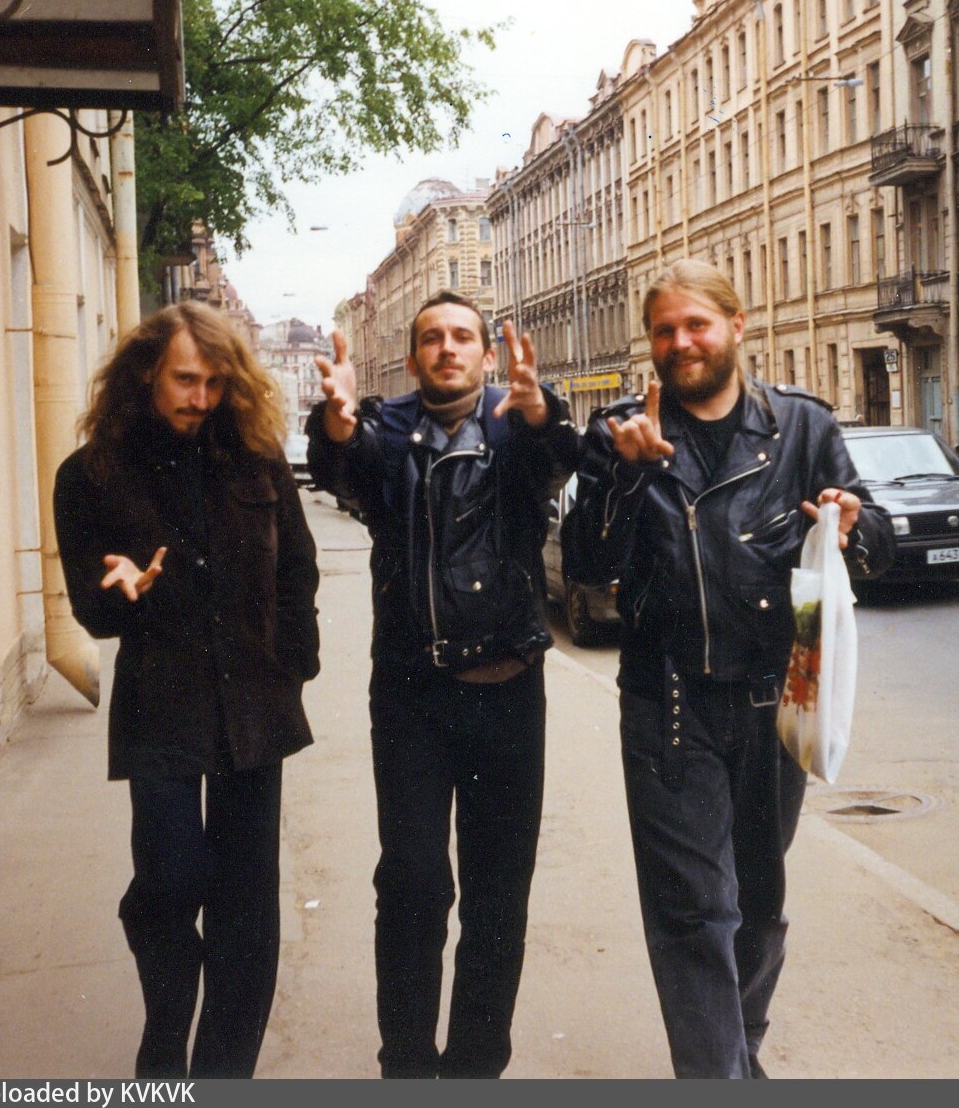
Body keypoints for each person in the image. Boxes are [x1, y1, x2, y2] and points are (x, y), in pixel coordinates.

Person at [562, 260, 893, 1079]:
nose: (680, 342)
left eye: (696, 325)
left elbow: (876, 541)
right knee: (693, 912)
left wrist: (852, 527)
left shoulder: (802, 428)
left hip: (778, 703)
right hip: (667, 706)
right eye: (664, 330)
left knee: (756, 903)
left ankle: (736, 1051)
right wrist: (629, 473)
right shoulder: (619, 433)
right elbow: (585, 566)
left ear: (736, 326)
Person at [306, 290, 578, 1078]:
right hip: (410, 696)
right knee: (412, 883)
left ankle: (474, 1067)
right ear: (414, 354)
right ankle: (405, 1064)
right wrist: (336, 423)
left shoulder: (515, 424)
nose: (447, 348)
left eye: (462, 337)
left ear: (486, 355)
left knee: (498, 893)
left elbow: (555, 461)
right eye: (432, 337)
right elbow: (344, 472)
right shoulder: (387, 429)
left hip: (507, 689)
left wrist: (538, 414)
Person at [53, 302, 320, 1079]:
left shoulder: (257, 461)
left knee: (246, 908)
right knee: (169, 883)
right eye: (184, 380)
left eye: (213, 383)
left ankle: (220, 1075)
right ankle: (167, 1025)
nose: (199, 398)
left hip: (254, 704)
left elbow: (297, 567)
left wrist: (294, 662)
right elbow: (91, 611)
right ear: (145, 374)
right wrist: (120, 593)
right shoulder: (91, 475)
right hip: (161, 703)